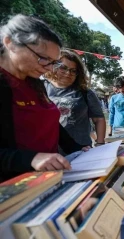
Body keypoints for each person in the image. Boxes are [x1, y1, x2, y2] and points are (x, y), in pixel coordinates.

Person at [0, 15, 89, 181]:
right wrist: (31, 158)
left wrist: (77, 149)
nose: (49, 67)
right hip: (13, 185)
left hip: (46, 178)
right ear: (10, 43)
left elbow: (51, 124)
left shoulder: (36, 84)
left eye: (53, 62)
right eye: (42, 58)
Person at [44, 49, 106, 149]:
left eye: (73, 71)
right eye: (63, 68)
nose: (68, 73)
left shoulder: (86, 93)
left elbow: (99, 119)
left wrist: (100, 143)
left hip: (81, 151)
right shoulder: (39, 88)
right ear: (53, 66)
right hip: (49, 153)